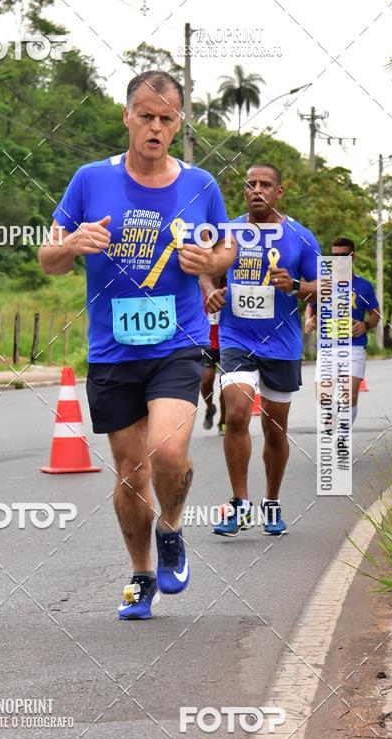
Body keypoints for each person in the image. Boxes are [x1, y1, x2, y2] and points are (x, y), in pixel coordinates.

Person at [39, 70, 236, 620]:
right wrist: (73, 244)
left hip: (178, 341)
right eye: (145, 116)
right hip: (112, 350)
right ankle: (141, 574)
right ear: (126, 116)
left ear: (178, 124)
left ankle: (171, 531)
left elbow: (226, 251)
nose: (155, 126)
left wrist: (210, 262)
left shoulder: (201, 185)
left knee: (168, 452)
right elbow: (47, 258)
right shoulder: (88, 180)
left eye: (166, 118)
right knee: (130, 472)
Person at [202, 163, 320, 538]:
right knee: (236, 413)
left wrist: (296, 285)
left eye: (265, 184)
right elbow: (205, 268)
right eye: (250, 184)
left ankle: (271, 502)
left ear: (278, 192)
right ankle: (239, 503)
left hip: (282, 345)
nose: (257, 190)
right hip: (237, 338)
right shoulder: (228, 232)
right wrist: (211, 291)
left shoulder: (300, 237)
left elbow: (330, 283)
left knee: (274, 430)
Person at [305, 237, 379, 424]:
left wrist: (366, 325)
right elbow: (311, 306)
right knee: (324, 399)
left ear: (353, 257)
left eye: (343, 255)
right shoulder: (323, 283)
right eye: (334, 255)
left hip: (354, 347)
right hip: (327, 347)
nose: (338, 260)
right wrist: (308, 320)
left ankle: (342, 436)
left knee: (348, 398)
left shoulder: (364, 286)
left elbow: (375, 314)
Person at [201, 283, 226, 433]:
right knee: (206, 378)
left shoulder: (229, 284)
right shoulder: (201, 285)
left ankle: (224, 421)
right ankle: (210, 408)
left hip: (227, 341)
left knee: (227, 384)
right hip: (206, 341)